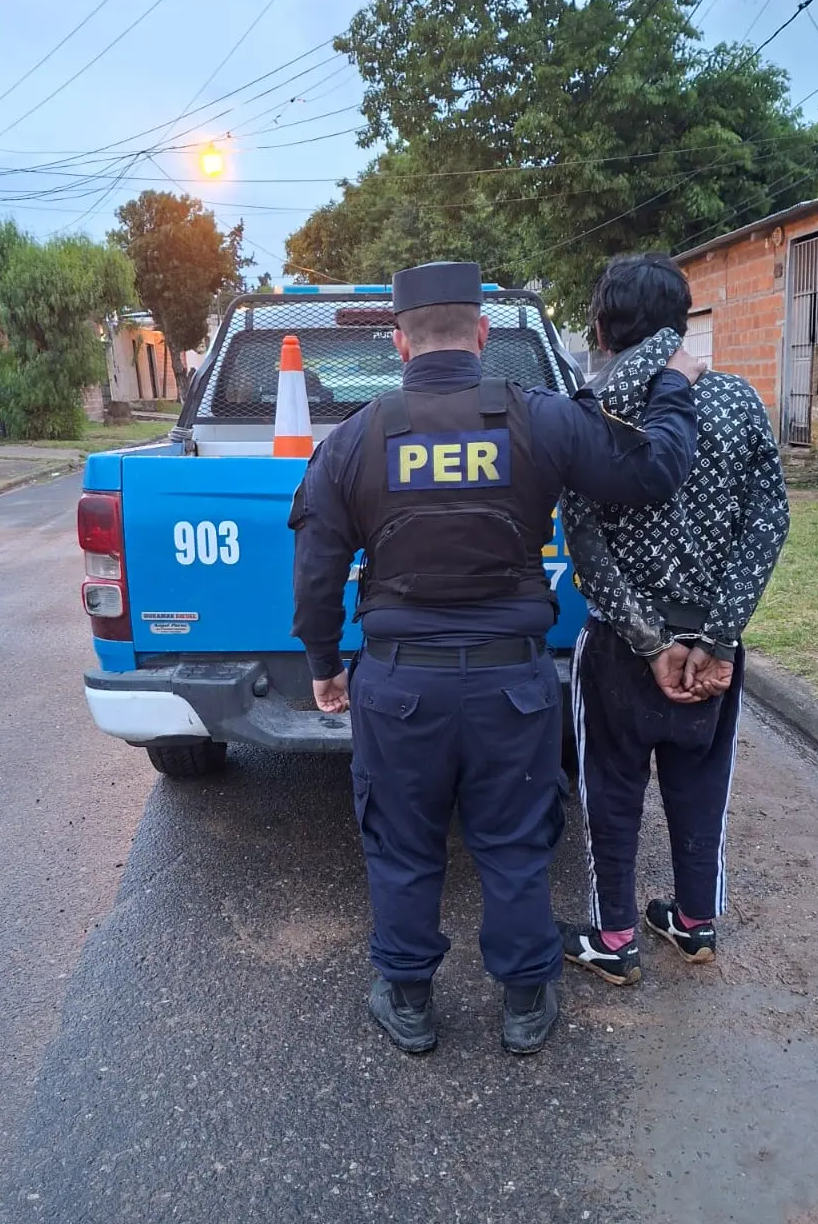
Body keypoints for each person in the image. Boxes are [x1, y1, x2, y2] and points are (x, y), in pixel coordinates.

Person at [290, 261, 702, 1055]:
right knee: (514, 843)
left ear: (398, 344)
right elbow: (655, 472)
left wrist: (323, 663)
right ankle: (523, 1004)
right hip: (512, 684)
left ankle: (408, 1001)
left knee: (402, 842)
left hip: (399, 683)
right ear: (482, 336)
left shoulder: (354, 439)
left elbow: (315, 570)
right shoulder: (539, 419)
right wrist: (675, 383)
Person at [560, 253, 790, 986]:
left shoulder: (591, 408)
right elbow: (768, 524)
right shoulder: (739, 401)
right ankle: (694, 923)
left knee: (611, 790)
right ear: (683, 319)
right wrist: (715, 639)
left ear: (601, 326)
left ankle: (616, 936)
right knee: (702, 785)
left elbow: (584, 538)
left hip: (622, 652)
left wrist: (652, 642)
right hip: (713, 649)